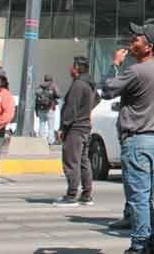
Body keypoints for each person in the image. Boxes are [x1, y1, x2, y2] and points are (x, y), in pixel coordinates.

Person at [102, 22, 154, 254]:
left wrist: (115, 65)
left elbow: (107, 89)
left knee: (138, 198)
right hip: (152, 141)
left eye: (137, 39)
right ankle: (149, 243)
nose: (132, 41)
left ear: (149, 46)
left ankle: (140, 245)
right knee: (144, 196)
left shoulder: (138, 70)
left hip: (137, 140)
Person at [54, 56, 98, 207]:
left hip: (76, 128)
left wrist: (63, 128)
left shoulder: (78, 85)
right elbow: (96, 99)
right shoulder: (89, 84)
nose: (70, 69)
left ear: (77, 68)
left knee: (71, 161)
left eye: (72, 66)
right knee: (84, 161)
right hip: (85, 127)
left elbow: (70, 109)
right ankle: (86, 195)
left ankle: (71, 194)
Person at [35, 74, 61, 145]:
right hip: (50, 108)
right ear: (51, 79)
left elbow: (36, 96)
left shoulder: (40, 86)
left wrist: (36, 111)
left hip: (40, 108)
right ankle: (50, 140)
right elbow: (59, 95)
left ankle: (41, 140)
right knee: (51, 126)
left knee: (41, 124)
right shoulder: (53, 85)